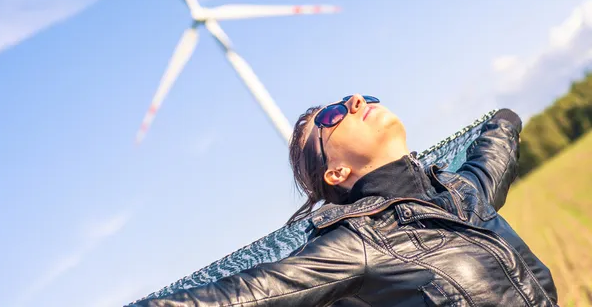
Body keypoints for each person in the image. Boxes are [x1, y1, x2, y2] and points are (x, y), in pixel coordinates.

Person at [134, 94, 558, 306]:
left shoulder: (461, 193)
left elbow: (493, 156)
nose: (357, 100)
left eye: (363, 99)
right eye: (333, 118)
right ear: (336, 173)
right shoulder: (359, 243)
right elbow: (245, 294)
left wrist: (504, 120)